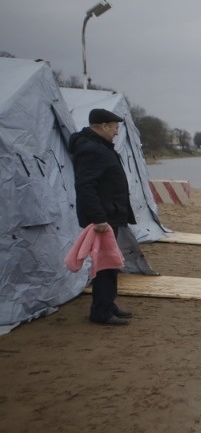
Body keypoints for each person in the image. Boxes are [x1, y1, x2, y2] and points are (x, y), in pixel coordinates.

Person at [67, 108, 136, 325]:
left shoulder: (99, 147)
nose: (116, 133)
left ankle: (107, 304)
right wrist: (98, 218)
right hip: (103, 218)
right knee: (105, 264)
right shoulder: (92, 149)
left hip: (109, 214)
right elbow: (85, 186)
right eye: (115, 128)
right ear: (103, 126)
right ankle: (101, 312)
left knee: (109, 263)